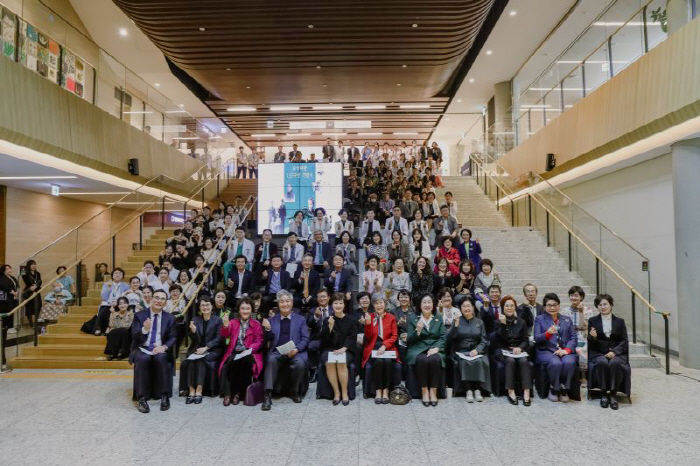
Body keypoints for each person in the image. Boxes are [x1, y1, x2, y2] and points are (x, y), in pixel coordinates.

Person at [261, 290, 309, 411]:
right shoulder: (272, 320)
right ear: (278, 304)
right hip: (278, 351)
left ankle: (294, 391)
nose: (285, 304)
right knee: (271, 360)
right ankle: (267, 395)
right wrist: (266, 330)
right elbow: (268, 339)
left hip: (295, 351)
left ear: (292, 303)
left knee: (299, 363)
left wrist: (297, 349)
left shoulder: (300, 319)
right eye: (282, 302)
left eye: (287, 301)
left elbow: (305, 339)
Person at [130, 289, 177, 413]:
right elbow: (134, 336)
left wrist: (164, 347)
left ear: (165, 303)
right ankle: (142, 398)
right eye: (156, 297)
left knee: (161, 358)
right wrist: (145, 329)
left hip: (160, 348)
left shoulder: (170, 318)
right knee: (143, 358)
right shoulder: (139, 316)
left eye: (162, 299)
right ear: (151, 299)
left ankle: (164, 395)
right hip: (143, 348)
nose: (159, 301)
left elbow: (173, 337)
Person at [219, 297, 264, 406]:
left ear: (251, 310)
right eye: (243, 308)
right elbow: (225, 335)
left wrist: (250, 349)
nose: (245, 311)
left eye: (247, 309)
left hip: (249, 352)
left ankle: (237, 394)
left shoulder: (256, 324)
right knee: (229, 363)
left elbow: (259, 340)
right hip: (234, 351)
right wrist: (225, 325)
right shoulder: (233, 322)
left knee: (243, 361)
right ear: (239, 310)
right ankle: (228, 394)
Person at [534, 293, 578, 403]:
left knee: (570, 362)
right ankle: (554, 388)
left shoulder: (566, 319)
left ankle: (563, 388)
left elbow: (573, 337)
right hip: (546, 350)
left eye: (555, 304)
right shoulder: (539, 319)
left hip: (564, 350)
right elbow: (537, 338)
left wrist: (566, 350)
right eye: (549, 305)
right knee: (556, 363)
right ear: (544, 307)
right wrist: (547, 333)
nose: (552, 307)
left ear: (559, 305)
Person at [588, 294, 629, 410]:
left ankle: (613, 394)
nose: (602, 307)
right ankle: (603, 394)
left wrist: (615, 352)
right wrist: (593, 337)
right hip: (598, 352)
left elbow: (624, 340)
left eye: (605, 304)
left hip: (616, 353)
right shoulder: (593, 320)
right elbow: (590, 341)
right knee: (602, 363)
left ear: (611, 305)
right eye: (600, 305)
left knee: (615, 363)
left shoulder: (620, 321)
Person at [179, 297, 223, 404]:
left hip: (212, 350)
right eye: (203, 305)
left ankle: (199, 389)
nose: (205, 307)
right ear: (199, 307)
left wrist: (206, 348)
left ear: (212, 306)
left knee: (201, 359)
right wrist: (193, 331)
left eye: (207, 305)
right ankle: (191, 390)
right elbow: (194, 340)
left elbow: (219, 338)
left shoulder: (218, 320)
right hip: (197, 349)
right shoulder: (195, 320)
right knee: (190, 360)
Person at [448, 296, 491, 402]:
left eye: (468, 306)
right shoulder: (457, 320)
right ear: (460, 308)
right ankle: (468, 389)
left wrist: (477, 350)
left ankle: (477, 389)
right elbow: (450, 339)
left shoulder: (479, 322)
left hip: (476, 351)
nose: (466, 308)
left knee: (479, 360)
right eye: (463, 306)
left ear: (473, 307)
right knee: (465, 361)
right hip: (461, 351)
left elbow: (484, 340)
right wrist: (455, 325)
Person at [407, 293, 446, 406]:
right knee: (422, 360)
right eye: (424, 302)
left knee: (434, 360)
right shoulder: (412, 318)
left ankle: (433, 390)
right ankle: (424, 390)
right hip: (417, 348)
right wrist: (417, 331)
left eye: (429, 302)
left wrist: (437, 348)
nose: (427, 304)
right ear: (420, 305)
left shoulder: (438, 317)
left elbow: (443, 336)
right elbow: (409, 340)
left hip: (434, 347)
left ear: (433, 304)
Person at [319, 293, 357, 405]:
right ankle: (336, 393)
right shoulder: (327, 320)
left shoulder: (351, 320)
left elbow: (352, 337)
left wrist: (344, 348)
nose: (338, 305)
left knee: (341, 361)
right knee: (330, 362)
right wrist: (329, 328)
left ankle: (344, 393)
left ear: (344, 305)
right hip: (329, 349)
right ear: (332, 305)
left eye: (341, 303)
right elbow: (324, 340)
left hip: (346, 349)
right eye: (336, 303)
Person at [361, 295, 399, 404]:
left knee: (387, 361)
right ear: (373, 305)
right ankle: (378, 391)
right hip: (373, 347)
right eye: (376, 303)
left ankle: (385, 391)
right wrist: (367, 325)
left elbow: (394, 336)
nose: (379, 305)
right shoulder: (370, 316)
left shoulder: (391, 317)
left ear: (385, 304)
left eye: (381, 303)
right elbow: (368, 338)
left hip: (388, 347)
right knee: (378, 361)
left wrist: (385, 345)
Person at [495, 295, 532, 406]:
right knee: (510, 360)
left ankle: (526, 391)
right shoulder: (498, 322)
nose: (509, 308)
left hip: (518, 350)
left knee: (524, 360)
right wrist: (503, 324)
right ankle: (511, 391)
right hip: (503, 350)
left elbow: (526, 340)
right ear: (503, 308)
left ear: (515, 307)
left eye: (512, 306)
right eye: (507, 306)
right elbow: (500, 338)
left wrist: (520, 348)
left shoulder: (521, 322)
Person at [560, 285, 595, 386]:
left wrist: (580, 312)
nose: (573, 298)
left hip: (582, 335)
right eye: (571, 295)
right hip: (570, 336)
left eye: (576, 295)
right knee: (568, 346)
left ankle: (583, 376)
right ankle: (572, 376)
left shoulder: (588, 310)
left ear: (581, 297)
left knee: (581, 349)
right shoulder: (565, 311)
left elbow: (585, 326)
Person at [89, 268, 129, 336]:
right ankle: (98, 328)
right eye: (116, 273)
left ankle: (109, 328)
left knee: (111, 310)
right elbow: (104, 297)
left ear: (122, 276)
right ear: (112, 275)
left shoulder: (126, 286)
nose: (118, 275)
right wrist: (108, 287)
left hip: (119, 305)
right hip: (108, 304)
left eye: (120, 273)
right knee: (104, 310)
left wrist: (117, 303)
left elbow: (126, 298)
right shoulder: (107, 284)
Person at [21, 260, 42, 328]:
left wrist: (36, 286)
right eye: (32, 264)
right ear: (28, 265)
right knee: (29, 308)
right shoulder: (25, 273)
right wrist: (32, 286)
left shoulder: (38, 273)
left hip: (37, 291)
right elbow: (26, 280)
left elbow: (40, 281)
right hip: (29, 291)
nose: (34, 266)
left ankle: (36, 322)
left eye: (35, 264)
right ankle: (31, 323)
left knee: (38, 306)